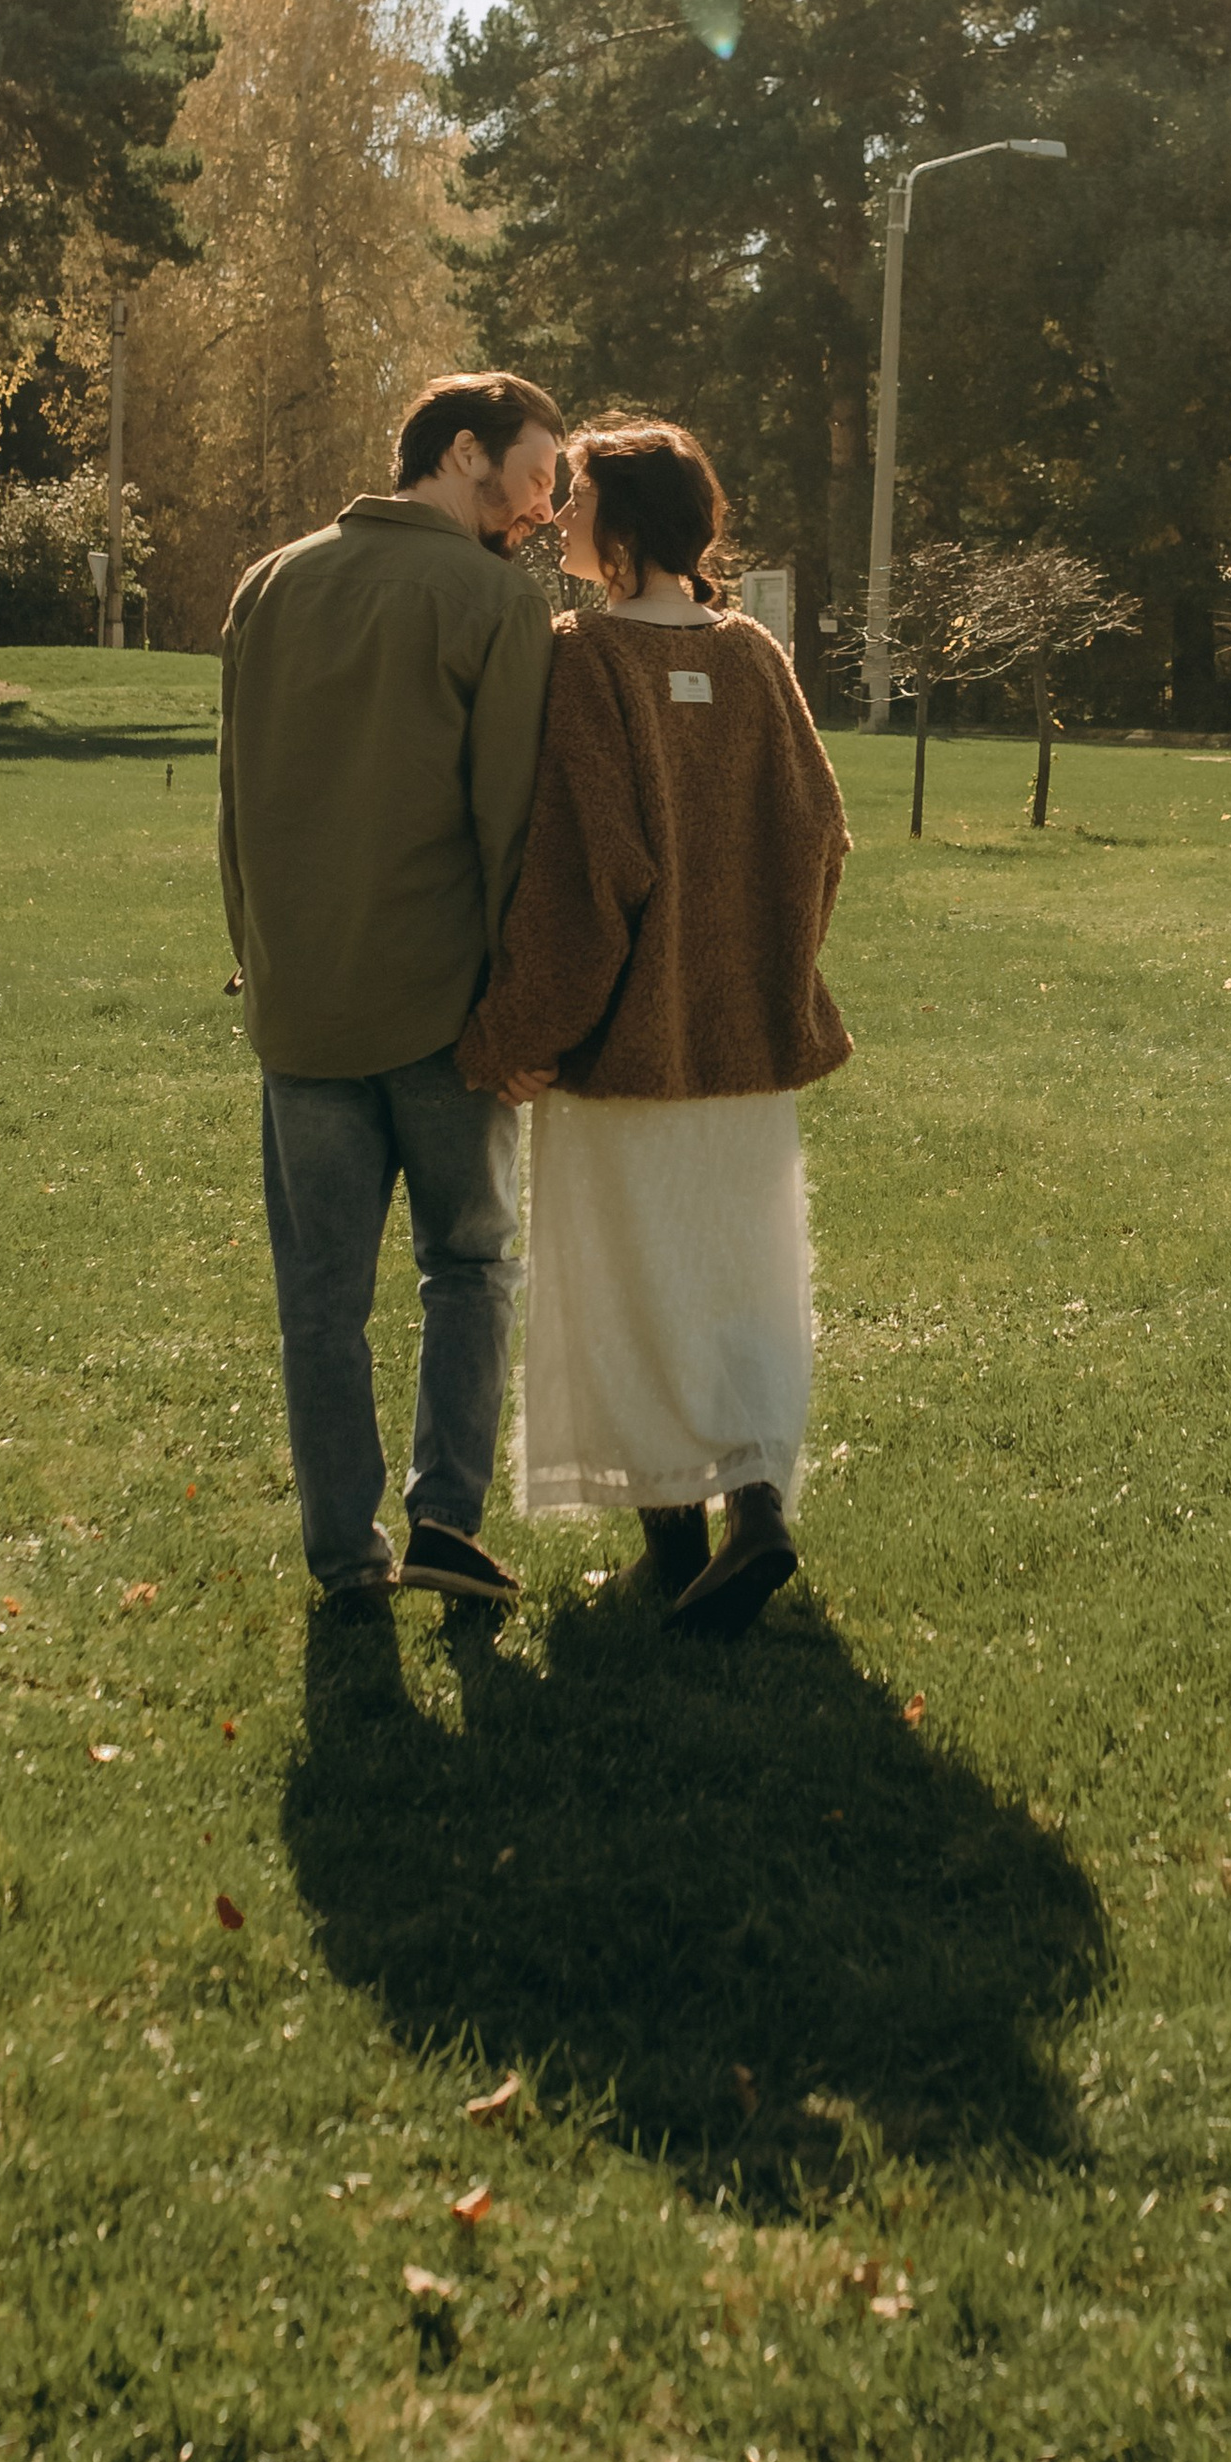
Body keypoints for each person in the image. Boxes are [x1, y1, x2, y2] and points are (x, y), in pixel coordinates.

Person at [459, 421, 852, 1637]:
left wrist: (506, 1036)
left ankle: (679, 1542)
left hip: (628, 1057)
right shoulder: (754, 656)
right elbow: (821, 835)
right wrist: (765, 980)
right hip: (749, 1057)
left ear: (621, 529)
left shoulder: (586, 658)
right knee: (735, 1286)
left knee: (629, 1291)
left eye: (573, 499)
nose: (558, 516)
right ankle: (753, 1515)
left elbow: (586, 877)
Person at [219, 372, 566, 1609]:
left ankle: (341, 1555)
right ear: (461, 451)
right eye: (532, 482)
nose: (540, 513)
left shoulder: (268, 582)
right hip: (444, 1013)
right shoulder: (490, 600)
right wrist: (523, 1016)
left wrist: (255, 955)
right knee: (468, 1265)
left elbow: (234, 806)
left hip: (298, 1004)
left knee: (319, 1300)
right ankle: (445, 1524)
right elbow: (510, 827)